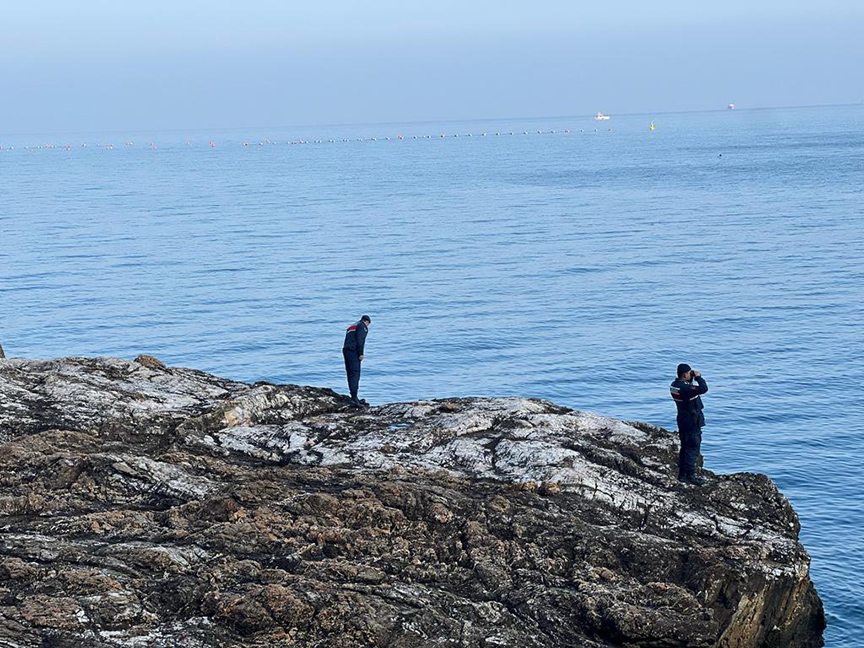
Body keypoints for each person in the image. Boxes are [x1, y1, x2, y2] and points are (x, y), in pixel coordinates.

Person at [670, 363, 709, 485]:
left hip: (682, 418)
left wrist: (691, 378)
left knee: (685, 447)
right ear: (685, 374)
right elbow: (703, 389)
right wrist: (698, 377)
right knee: (693, 447)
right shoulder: (685, 389)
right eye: (689, 373)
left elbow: (689, 389)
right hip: (692, 420)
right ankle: (690, 475)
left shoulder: (675, 386)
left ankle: (682, 474)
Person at [342, 315, 371, 408]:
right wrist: (361, 353)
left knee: (349, 373)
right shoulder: (362, 326)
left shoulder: (352, 326)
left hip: (346, 350)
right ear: (366, 322)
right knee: (355, 373)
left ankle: (354, 396)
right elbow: (360, 340)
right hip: (353, 351)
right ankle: (355, 399)